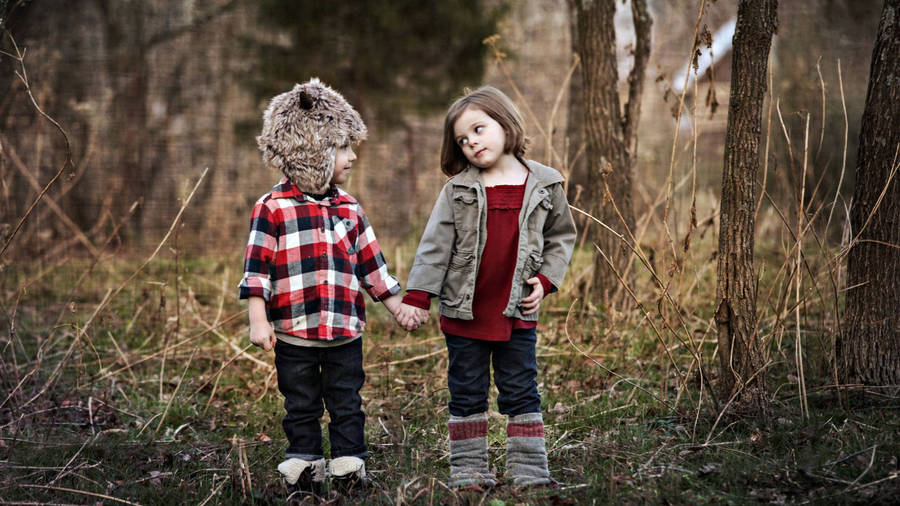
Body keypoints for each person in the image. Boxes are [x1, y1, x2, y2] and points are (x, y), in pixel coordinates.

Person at [395, 86, 577, 488]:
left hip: (517, 310)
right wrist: (418, 295)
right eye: (462, 138)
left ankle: (529, 472)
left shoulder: (545, 184)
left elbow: (561, 237)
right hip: (465, 311)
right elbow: (435, 245)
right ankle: (469, 471)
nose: (471, 141)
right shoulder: (457, 189)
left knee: (520, 388)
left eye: (478, 128)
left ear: (506, 123)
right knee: (466, 391)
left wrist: (546, 280)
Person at [238, 78, 405, 494]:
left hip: (345, 332)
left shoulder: (349, 206)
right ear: (312, 149)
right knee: (301, 403)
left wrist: (399, 306)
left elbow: (372, 265)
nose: (352, 157)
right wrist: (258, 321)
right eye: (343, 148)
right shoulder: (272, 208)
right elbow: (257, 270)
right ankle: (305, 462)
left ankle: (349, 464)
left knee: (347, 401)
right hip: (293, 333)